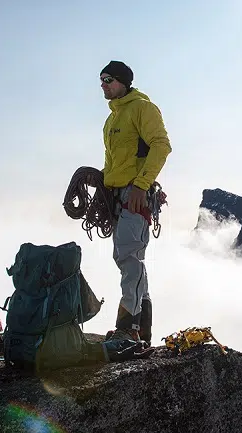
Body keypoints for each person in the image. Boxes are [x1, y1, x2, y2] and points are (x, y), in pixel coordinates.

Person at [96, 60, 172, 345]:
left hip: (135, 196)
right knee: (132, 260)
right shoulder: (112, 119)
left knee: (128, 258)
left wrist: (141, 185)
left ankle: (127, 327)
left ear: (123, 82)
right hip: (118, 196)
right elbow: (112, 161)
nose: (103, 85)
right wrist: (104, 185)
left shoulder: (142, 108)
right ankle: (141, 331)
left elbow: (161, 145)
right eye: (101, 80)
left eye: (108, 80)